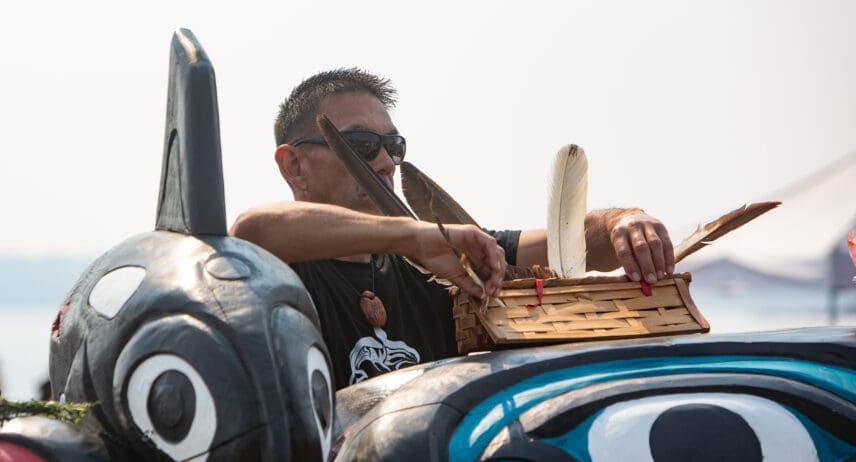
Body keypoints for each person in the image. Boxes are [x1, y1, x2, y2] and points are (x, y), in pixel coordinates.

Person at [231, 69, 674, 389]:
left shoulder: (453, 261)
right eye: (362, 146)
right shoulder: (274, 271)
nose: (385, 162)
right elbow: (253, 229)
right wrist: (414, 236)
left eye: (393, 146)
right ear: (294, 166)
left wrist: (624, 223)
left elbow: (573, 245)